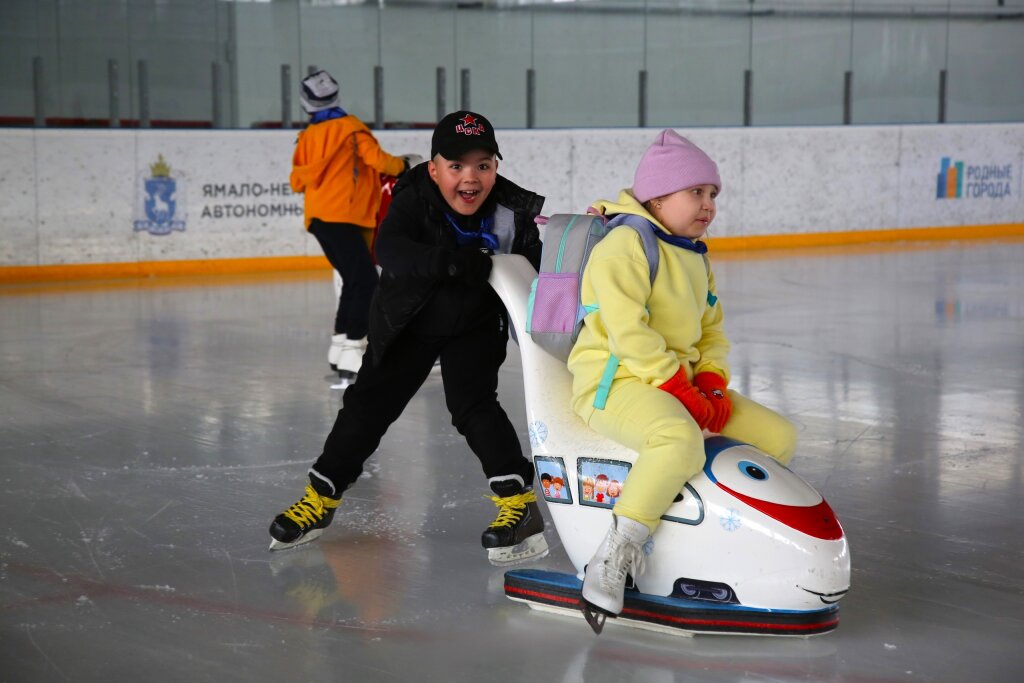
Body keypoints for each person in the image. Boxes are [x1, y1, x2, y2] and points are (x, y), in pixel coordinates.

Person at [270, 111, 550, 567]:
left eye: (483, 165)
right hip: (409, 319)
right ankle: (320, 498)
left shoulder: (511, 211)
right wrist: (453, 262)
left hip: (475, 324)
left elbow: (538, 272)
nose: (471, 177)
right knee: (368, 407)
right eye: (456, 166)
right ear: (434, 169)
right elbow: (389, 249)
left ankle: (519, 506)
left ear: (495, 167)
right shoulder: (414, 196)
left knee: (474, 407)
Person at [568, 129, 798, 622]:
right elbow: (628, 333)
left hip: (681, 382)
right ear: (657, 197)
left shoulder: (693, 253)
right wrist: (678, 388)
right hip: (615, 382)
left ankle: (717, 532)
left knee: (777, 437)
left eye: (713, 193)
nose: (708, 204)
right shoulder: (626, 245)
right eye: (696, 191)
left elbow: (711, 330)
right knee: (679, 440)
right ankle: (613, 554)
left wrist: (711, 380)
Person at [290, 70, 410, 381]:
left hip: (318, 218)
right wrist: (404, 165)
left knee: (353, 280)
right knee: (367, 282)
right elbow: (379, 161)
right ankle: (355, 350)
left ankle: (340, 345)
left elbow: (297, 180)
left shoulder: (308, 136)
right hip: (343, 216)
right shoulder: (352, 129)